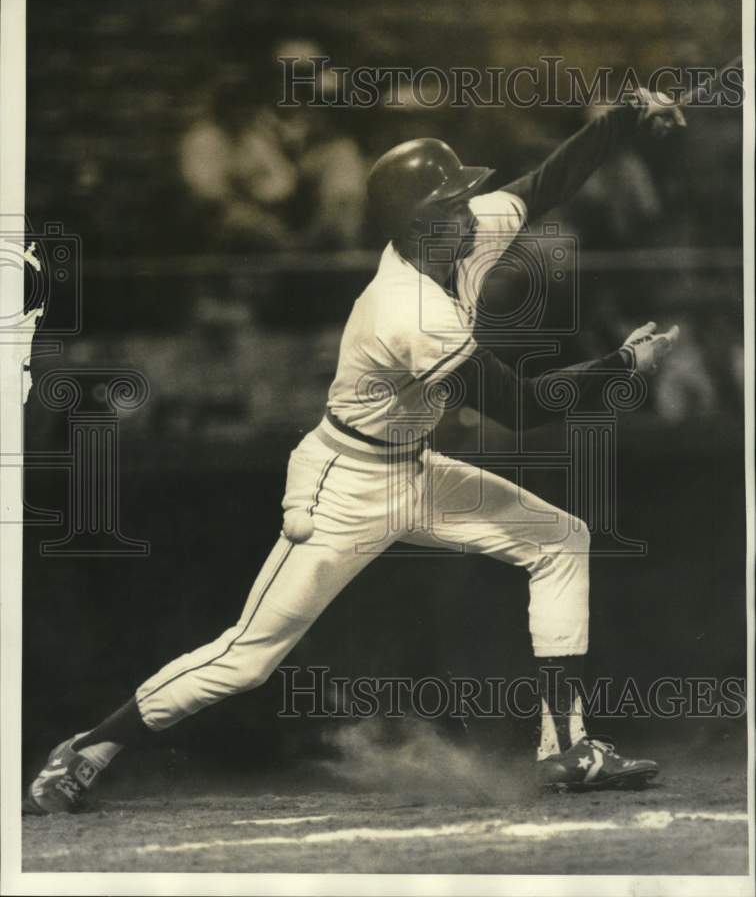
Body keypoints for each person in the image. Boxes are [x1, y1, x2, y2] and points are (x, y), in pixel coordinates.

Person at [25, 90, 685, 813]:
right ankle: (87, 749)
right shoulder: (408, 309)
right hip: (346, 486)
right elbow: (521, 409)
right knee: (247, 658)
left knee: (561, 540)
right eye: (454, 204)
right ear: (422, 224)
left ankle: (565, 748)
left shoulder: (455, 238)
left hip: (414, 467)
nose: (472, 211)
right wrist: (621, 367)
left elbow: (543, 185)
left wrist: (621, 119)